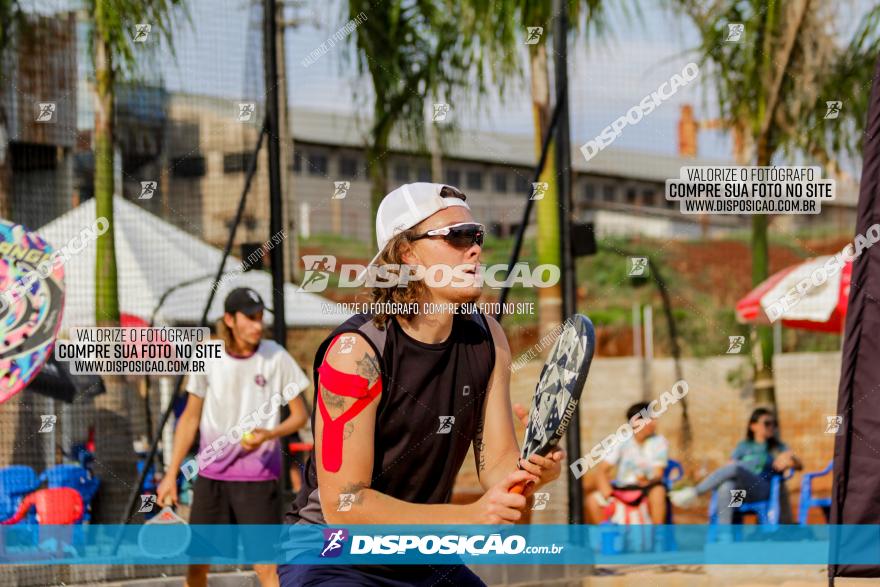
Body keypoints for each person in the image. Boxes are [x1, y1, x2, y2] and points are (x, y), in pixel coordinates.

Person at [278, 183, 563, 586]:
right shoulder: (355, 354)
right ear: (407, 254)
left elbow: (498, 468)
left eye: (476, 235)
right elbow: (346, 505)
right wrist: (469, 517)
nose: (475, 249)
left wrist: (531, 472)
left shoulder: (489, 339)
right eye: (457, 236)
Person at [157, 287, 311, 587]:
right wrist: (171, 473)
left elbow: (300, 416)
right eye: (250, 318)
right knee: (197, 566)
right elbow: (190, 417)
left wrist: (271, 432)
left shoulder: (275, 356)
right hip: (211, 477)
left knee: (267, 568)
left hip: (258, 478)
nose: (257, 325)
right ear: (229, 319)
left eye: (260, 318)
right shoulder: (207, 355)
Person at [669, 407, 802, 523]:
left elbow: (798, 465)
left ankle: (695, 492)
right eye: (767, 423)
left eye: (774, 424)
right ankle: (726, 536)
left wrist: (790, 459)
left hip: (762, 491)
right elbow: (729, 467)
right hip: (742, 495)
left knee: (735, 469)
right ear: (753, 426)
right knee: (727, 486)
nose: (771, 427)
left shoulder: (777, 447)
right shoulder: (743, 447)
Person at [586, 402, 670, 524]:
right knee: (592, 501)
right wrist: (608, 495)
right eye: (651, 419)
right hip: (622, 490)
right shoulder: (621, 441)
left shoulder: (659, 442)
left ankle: (658, 538)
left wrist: (647, 481)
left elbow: (658, 474)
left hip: (648, 489)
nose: (655, 423)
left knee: (658, 492)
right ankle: (607, 537)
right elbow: (602, 471)